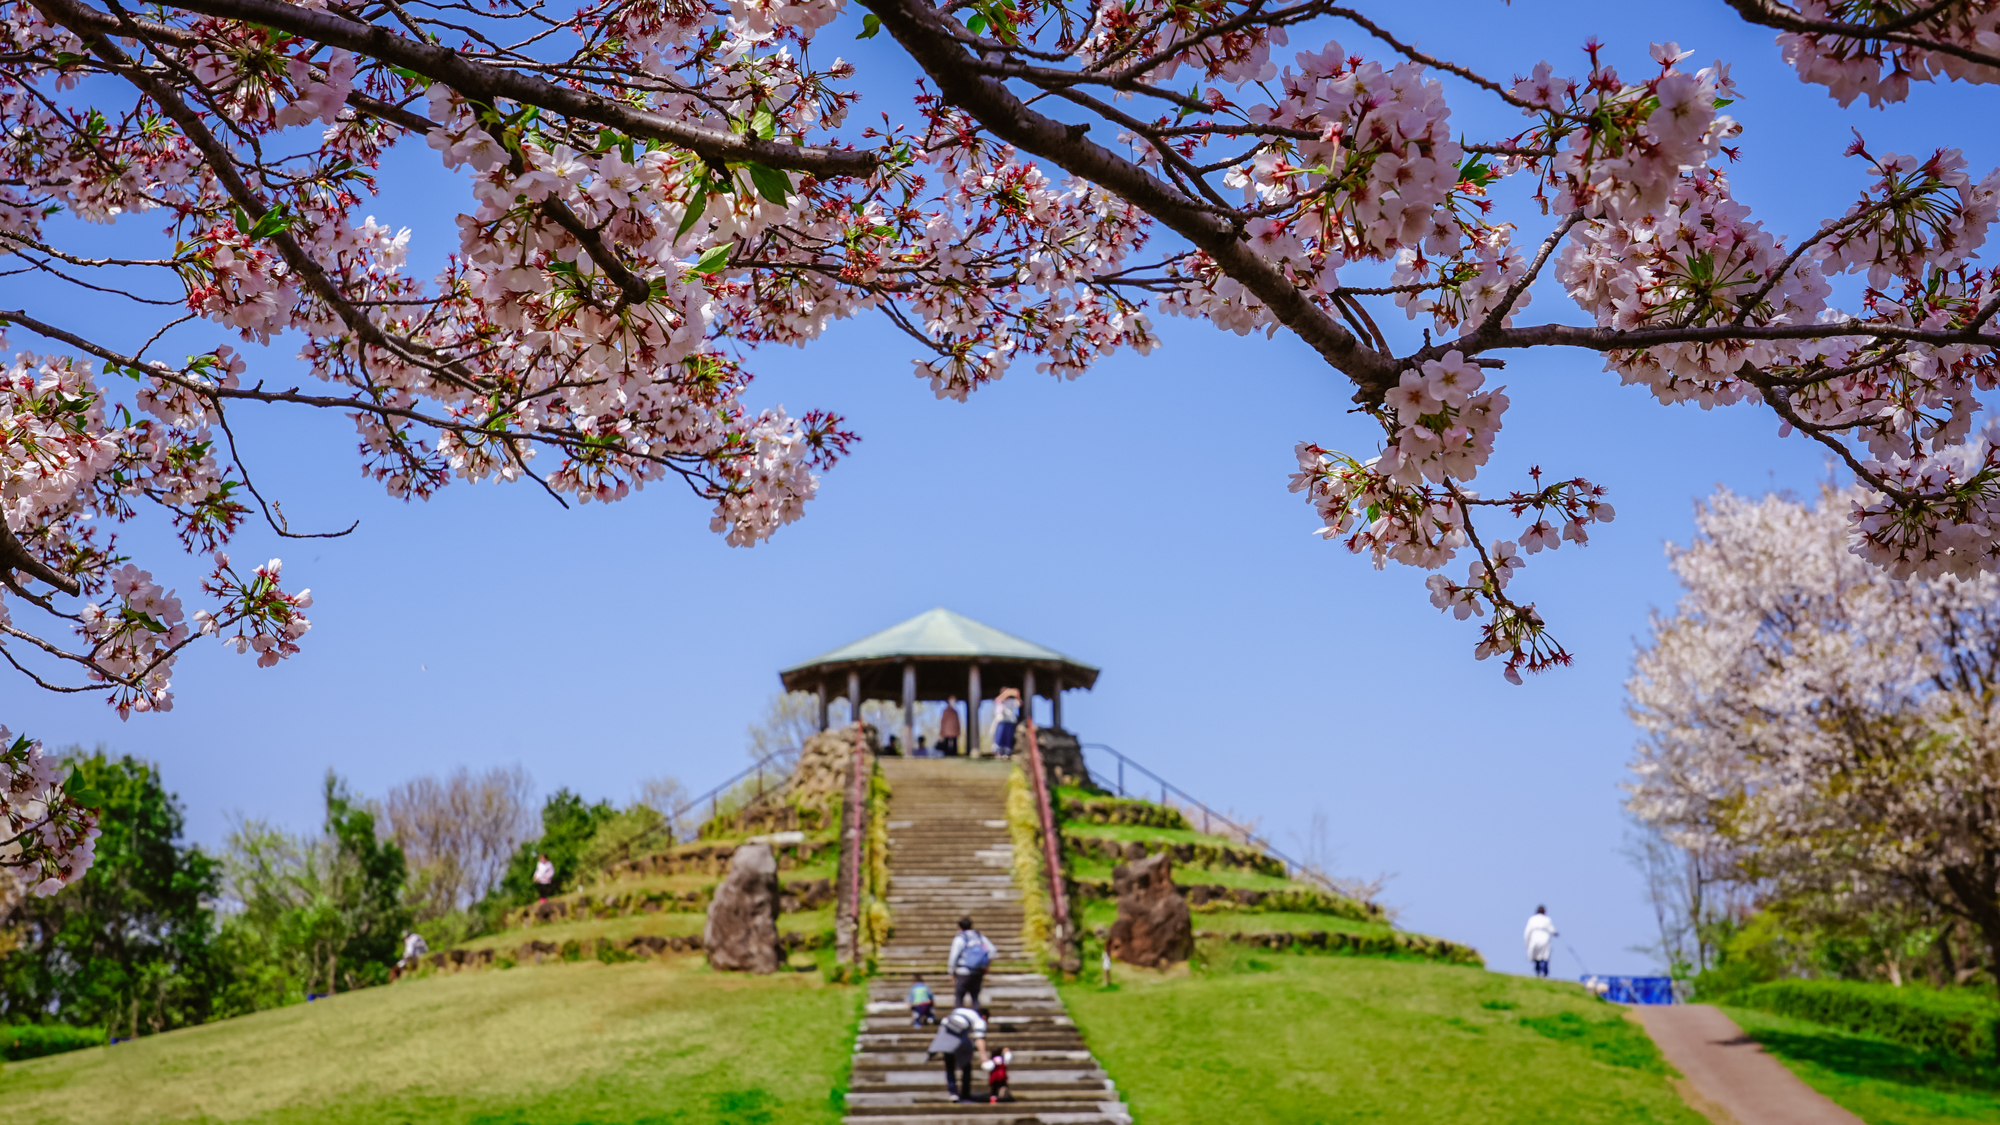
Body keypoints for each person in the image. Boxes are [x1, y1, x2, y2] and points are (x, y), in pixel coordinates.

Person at [927, 1003, 989, 1103]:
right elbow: (979, 1039)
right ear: (985, 1016)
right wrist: (983, 1057)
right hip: (959, 1032)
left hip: (945, 1028)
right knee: (966, 1065)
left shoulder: (960, 1010)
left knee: (949, 1065)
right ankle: (965, 1094)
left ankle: (953, 1093)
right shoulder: (979, 1020)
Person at [948, 915, 996, 1007]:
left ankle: (959, 1018)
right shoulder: (979, 937)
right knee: (975, 998)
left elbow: (953, 957)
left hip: (963, 972)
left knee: (959, 998)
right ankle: (977, 1018)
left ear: (959, 927)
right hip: (977, 972)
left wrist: (951, 972)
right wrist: (986, 964)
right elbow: (992, 950)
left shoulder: (960, 938)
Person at [1524, 905, 1557, 979]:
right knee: (1545, 956)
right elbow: (1552, 929)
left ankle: (1537, 972)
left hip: (1534, 938)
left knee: (1536, 957)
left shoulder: (1532, 919)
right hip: (1545, 938)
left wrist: (1526, 942)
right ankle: (1544, 973)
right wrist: (1555, 933)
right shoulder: (1547, 919)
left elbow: (1527, 932)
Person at [991, 688, 1021, 758]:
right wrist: (1007, 693)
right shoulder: (999, 700)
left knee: (1008, 737)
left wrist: (1017, 695)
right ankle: (998, 753)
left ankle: (1007, 753)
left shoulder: (1012, 701)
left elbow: (1019, 703)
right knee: (999, 737)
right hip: (1000, 721)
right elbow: (998, 700)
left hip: (1009, 721)